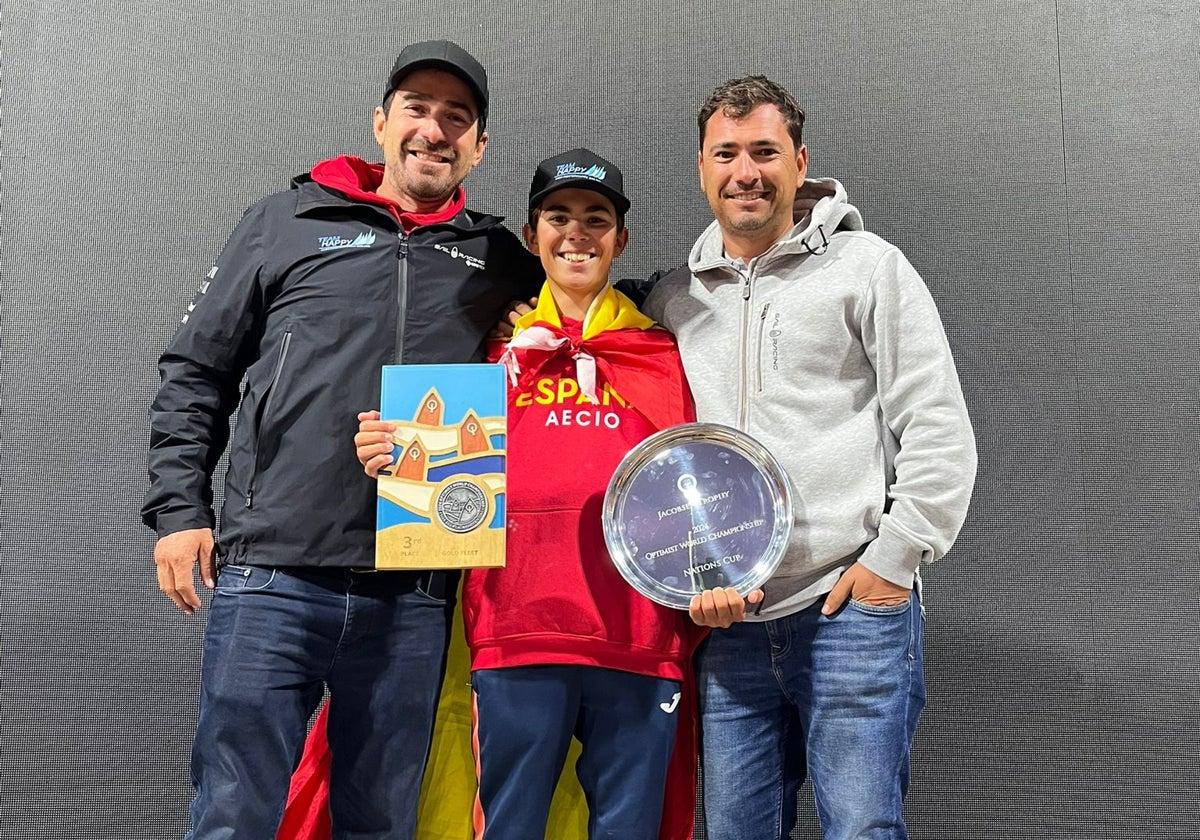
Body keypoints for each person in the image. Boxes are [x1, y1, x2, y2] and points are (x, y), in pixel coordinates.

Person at [142, 40, 540, 840]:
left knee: (382, 823)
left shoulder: (499, 259)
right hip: (272, 575)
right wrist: (179, 511)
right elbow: (195, 371)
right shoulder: (284, 222)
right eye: (418, 110)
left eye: (456, 118)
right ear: (381, 122)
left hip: (415, 588)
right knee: (234, 815)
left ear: (479, 145)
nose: (435, 130)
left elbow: (578, 317)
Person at [640, 76, 979, 839]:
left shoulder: (869, 267)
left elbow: (937, 424)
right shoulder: (672, 300)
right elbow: (660, 463)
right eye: (726, 153)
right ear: (701, 168)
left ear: (800, 161)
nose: (745, 171)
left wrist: (894, 560)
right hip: (729, 627)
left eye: (764, 151)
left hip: (849, 611)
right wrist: (693, 577)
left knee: (861, 829)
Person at [352, 149, 702, 840]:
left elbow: (700, 489)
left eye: (596, 219)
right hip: (516, 633)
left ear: (621, 239)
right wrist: (393, 459)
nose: (578, 233)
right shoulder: (485, 355)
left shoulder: (665, 354)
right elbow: (439, 481)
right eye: (559, 217)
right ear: (533, 236)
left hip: (639, 637)